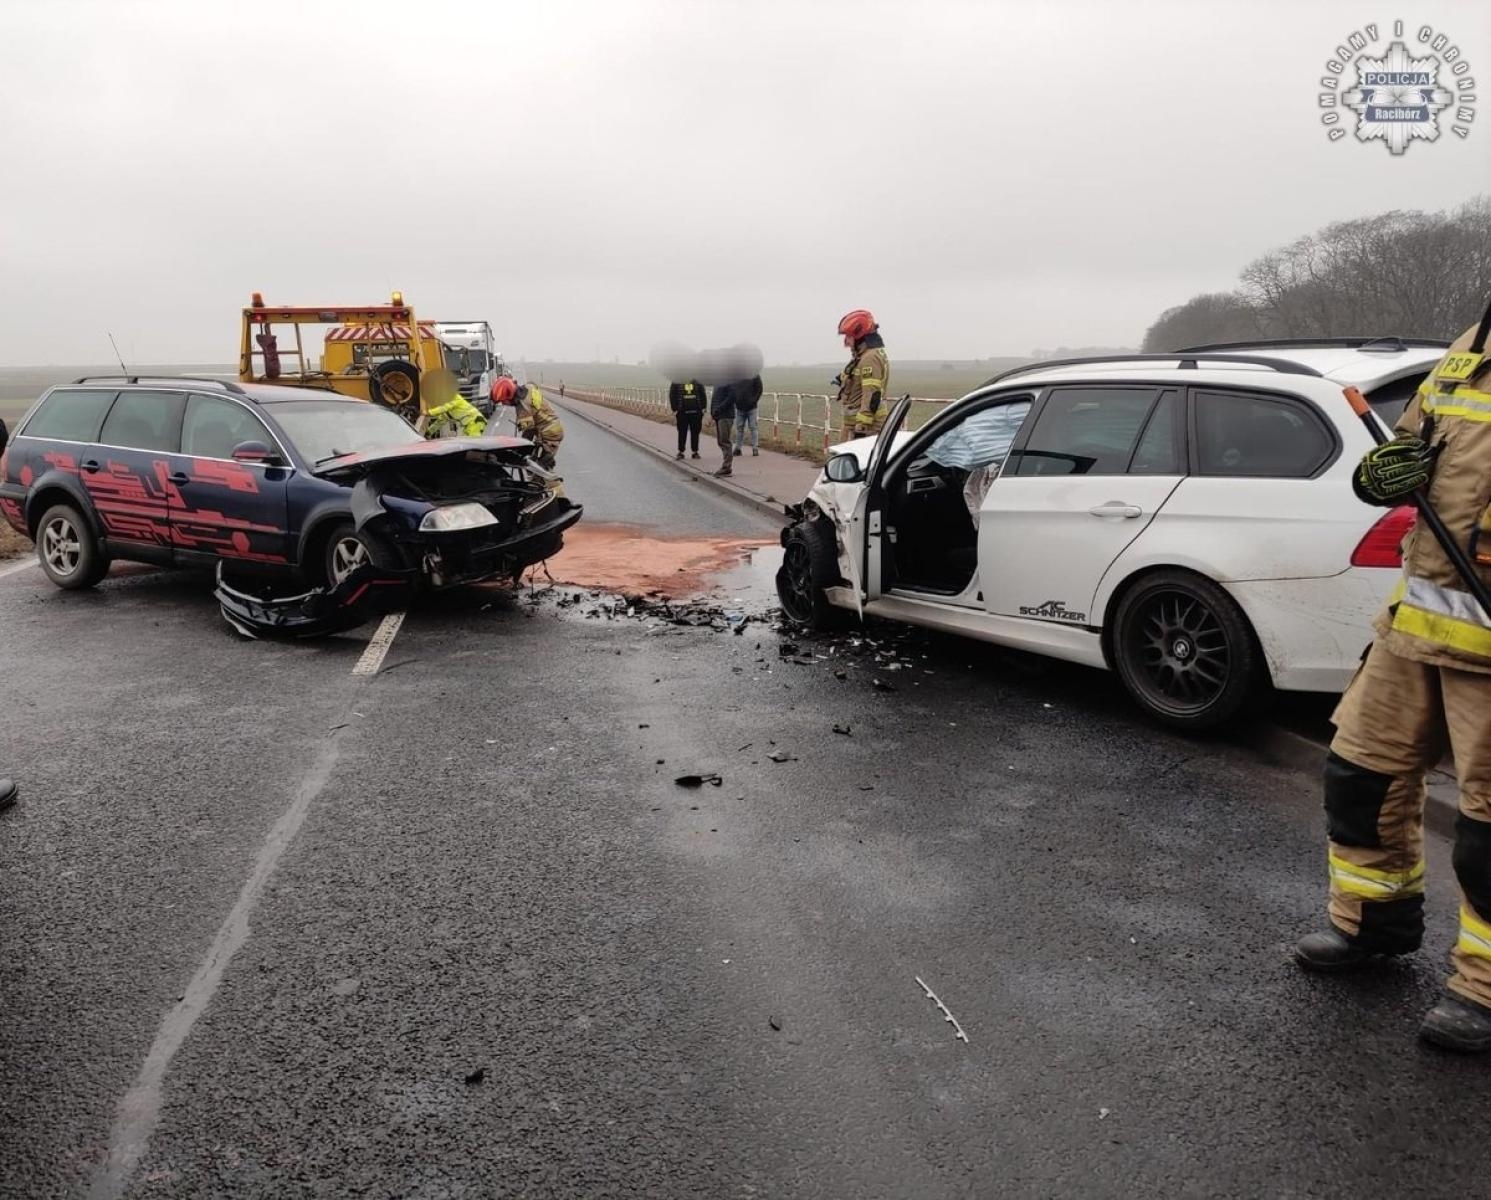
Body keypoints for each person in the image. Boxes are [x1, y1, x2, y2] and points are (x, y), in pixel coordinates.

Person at [1294, 318, 1491, 1053]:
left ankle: (1482, 989)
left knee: (1486, 833)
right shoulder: (1468, 348)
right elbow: (1412, 445)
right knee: (1361, 777)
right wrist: (1384, 473)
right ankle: (1370, 926)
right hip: (1415, 624)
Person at [835, 309, 891, 438]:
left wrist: (862, 426)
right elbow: (858, 377)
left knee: (850, 458)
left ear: (860, 337)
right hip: (855, 426)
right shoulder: (865, 355)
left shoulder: (870, 358)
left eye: (848, 337)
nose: (846, 342)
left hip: (864, 429)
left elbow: (871, 392)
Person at [492, 377, 565, 469]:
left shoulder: (523, 407)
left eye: (503, 400)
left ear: (509, 394)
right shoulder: (528, 387)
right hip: (552, 429)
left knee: (539, 469)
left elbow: (528, 433)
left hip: (549, 434)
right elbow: (534, 385)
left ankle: (553, 481)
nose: (503, 403)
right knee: (539, 466)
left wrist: (518, 453)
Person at [422, 385, 487, 438]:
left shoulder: (454, 398)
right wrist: (428, 432)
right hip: (470, 424)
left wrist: (428, 412)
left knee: (472, 444)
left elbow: (443, 408)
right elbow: (439, 422)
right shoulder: (447, 410)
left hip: (475, 421)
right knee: (466, 443)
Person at [668, 378, 708, 460]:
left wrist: (703, 407)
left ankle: (695, 452)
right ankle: (681, 452)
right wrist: (674, 409)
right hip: (682, 412)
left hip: (696, 412)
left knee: (695, 432)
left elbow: (702, 393)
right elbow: (672, 394)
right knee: (682, 432)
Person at [710, 378, 737, 477]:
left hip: (725, 415)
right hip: (719, 415)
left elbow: (731, 397)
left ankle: (727, 467)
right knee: (721, 441)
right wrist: (713, 414)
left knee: (725, 441)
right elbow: (715, 399)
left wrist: (719, 409)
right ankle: (726, 466)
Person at [732, 373, 764, 457]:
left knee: (753, 428)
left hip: (752, 408)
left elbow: (759, 389)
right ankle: (738, 449)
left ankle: (755, 448)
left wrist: (753, 401)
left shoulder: (754, 375)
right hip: (739, 408)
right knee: (739, 428)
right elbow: (732, 389)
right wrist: (735, 401)